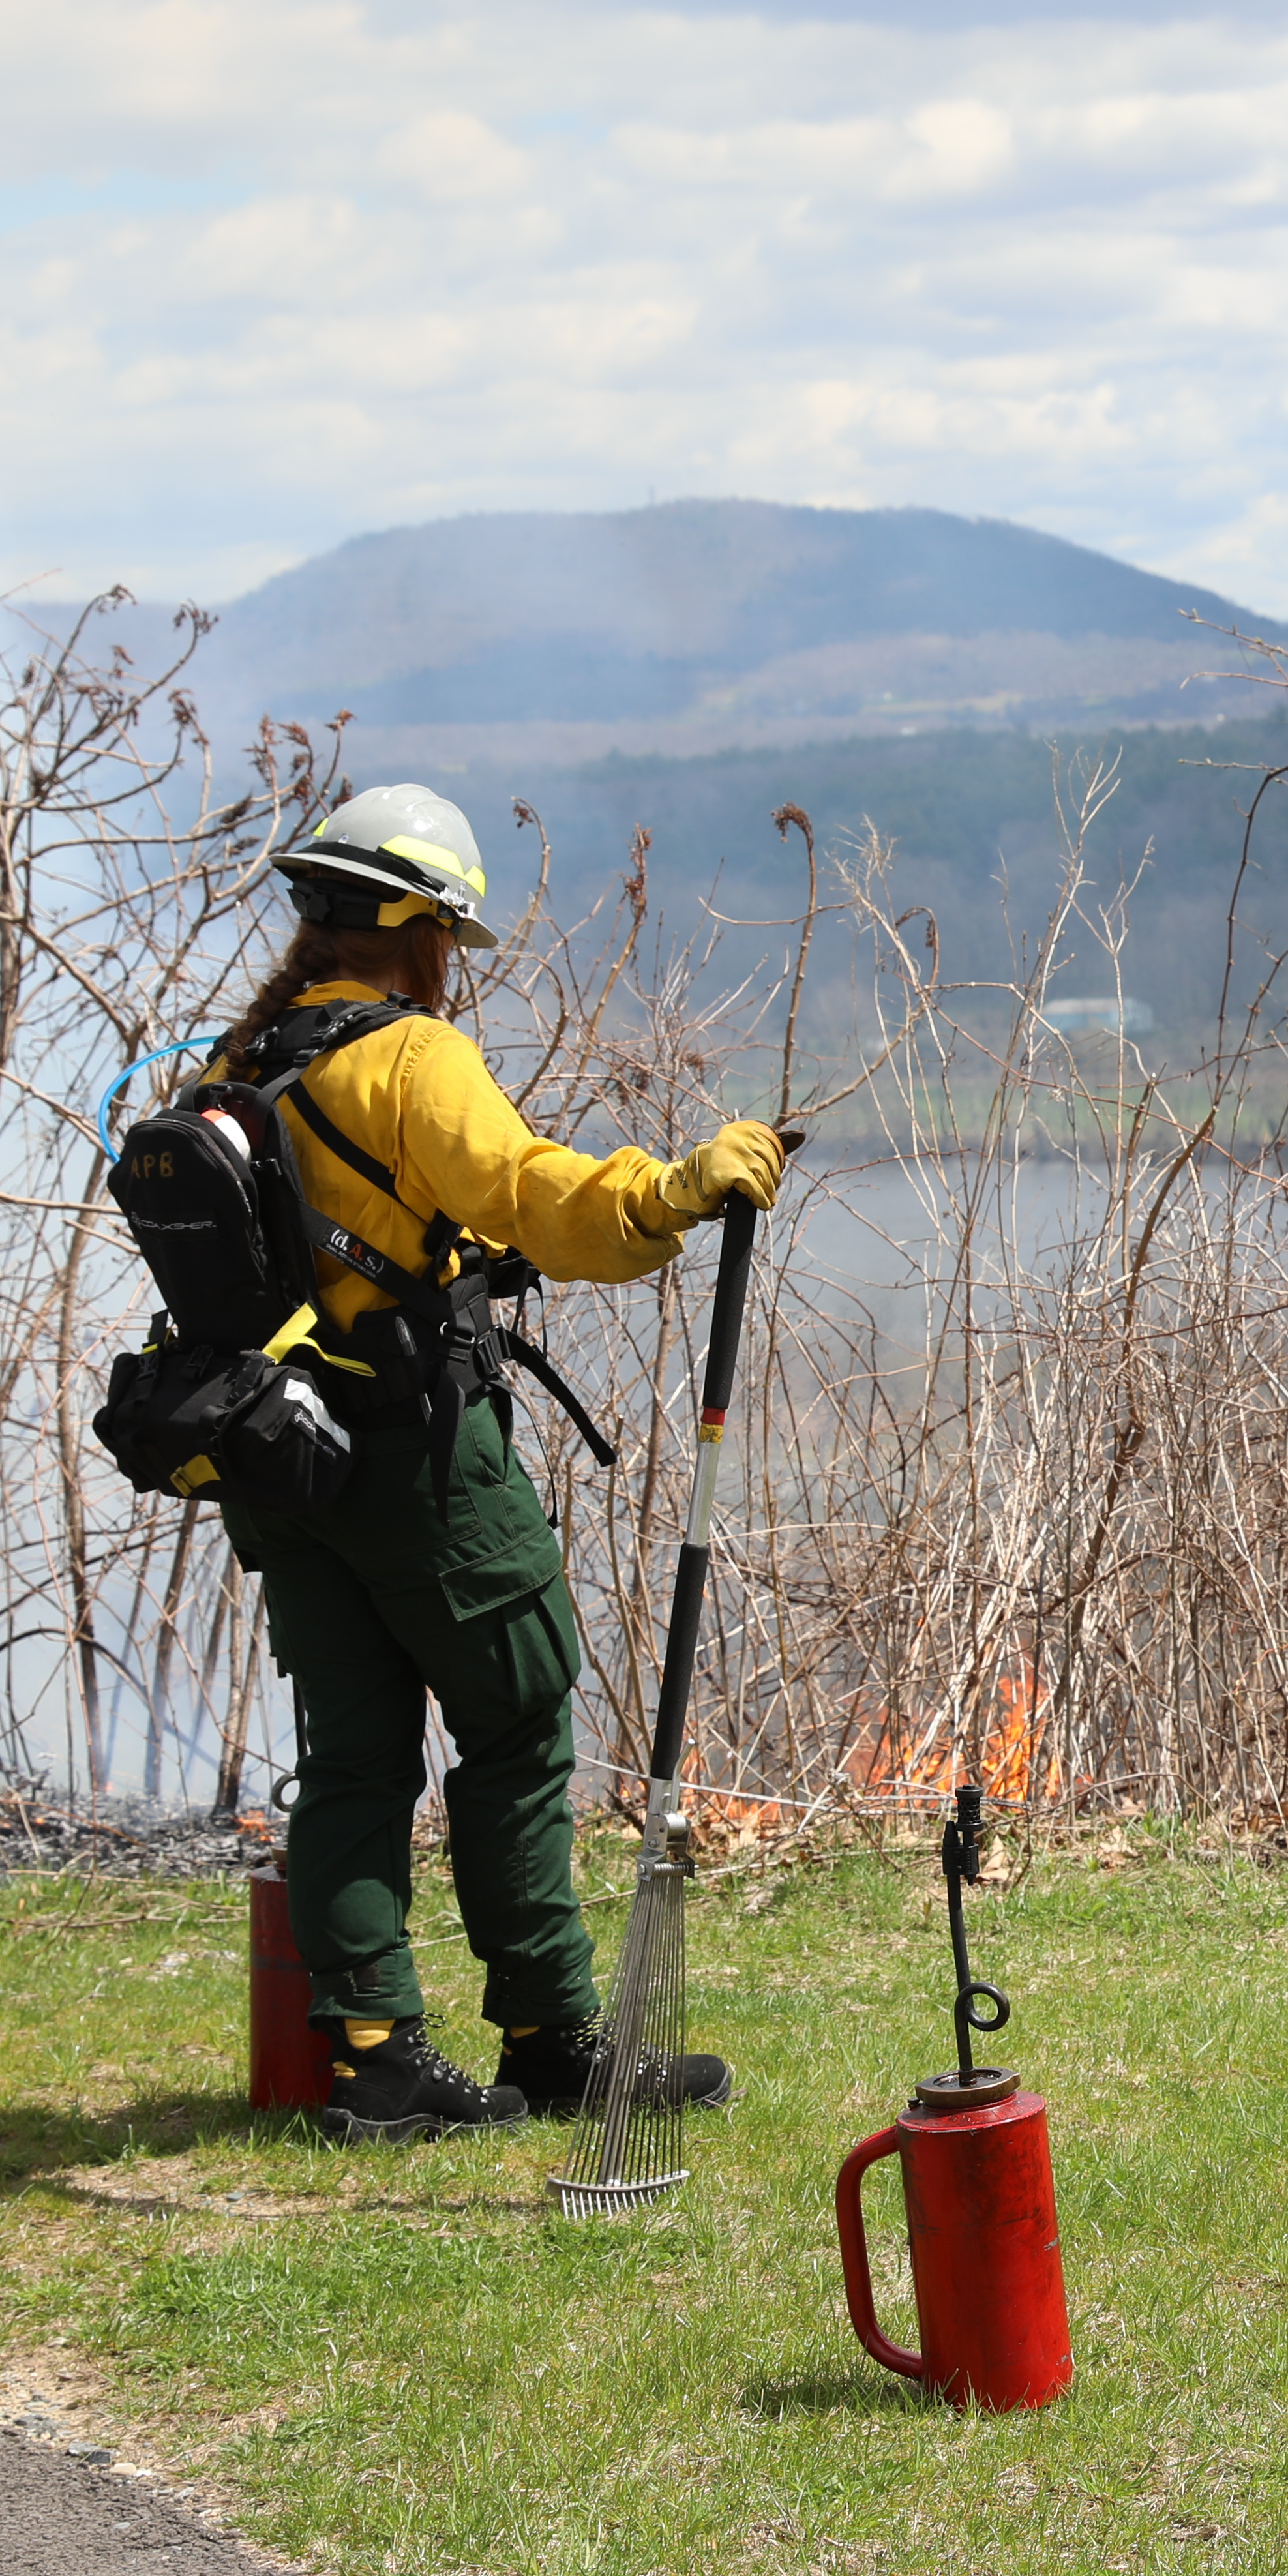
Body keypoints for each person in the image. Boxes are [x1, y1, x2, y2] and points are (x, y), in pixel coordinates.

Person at [207, 782, 790, 2144]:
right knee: (521, 1717)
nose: (445, 972)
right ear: (410, 925)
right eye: (444, 943)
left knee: (352, 1756)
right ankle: (549, 2036)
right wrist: (676, 1188)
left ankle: (377, 2062)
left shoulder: (251, 1065)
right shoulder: (408, 1060)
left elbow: (342, 1240)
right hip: (419, 1460)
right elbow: (537, 1192)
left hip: (289, 1469)